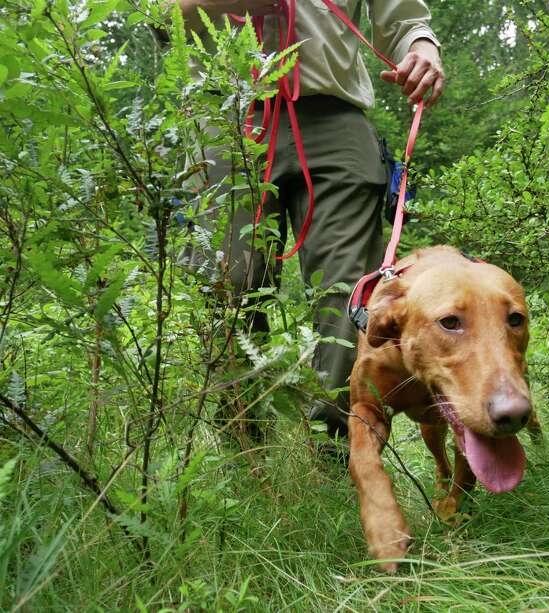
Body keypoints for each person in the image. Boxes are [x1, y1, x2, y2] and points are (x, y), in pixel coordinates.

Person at [173, 0, 444, 444]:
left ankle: (338, 449)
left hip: (335, 114)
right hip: (224, 114)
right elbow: (164, 14)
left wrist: (422, 48)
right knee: (228, 283)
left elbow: (405, 20)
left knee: (351, 291)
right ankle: (243, 449)